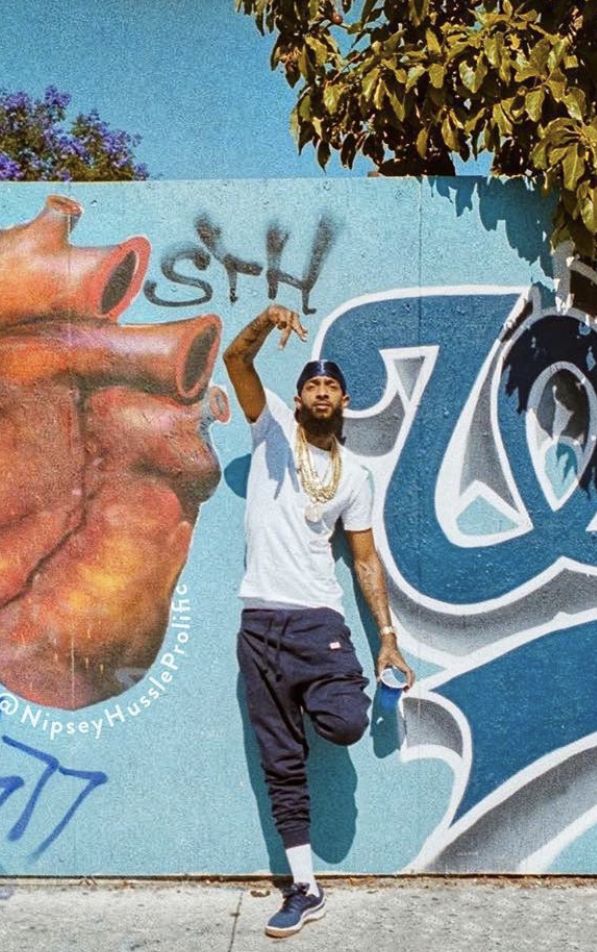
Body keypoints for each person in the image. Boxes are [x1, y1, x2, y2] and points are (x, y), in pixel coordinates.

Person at [223, 303, 415, 939]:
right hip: (260, 625)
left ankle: (314, 697)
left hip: (318, 624)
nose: (322, 393)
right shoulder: (271, 431)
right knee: (281, 760)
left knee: (346, 721)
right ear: (300, 398)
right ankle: (305, 887)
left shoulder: (355, 476)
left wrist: (386, 638)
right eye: (312, 386)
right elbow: (235, 360)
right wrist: (264, 320)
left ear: (345, 401)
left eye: (332, 387)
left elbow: (364, 559)